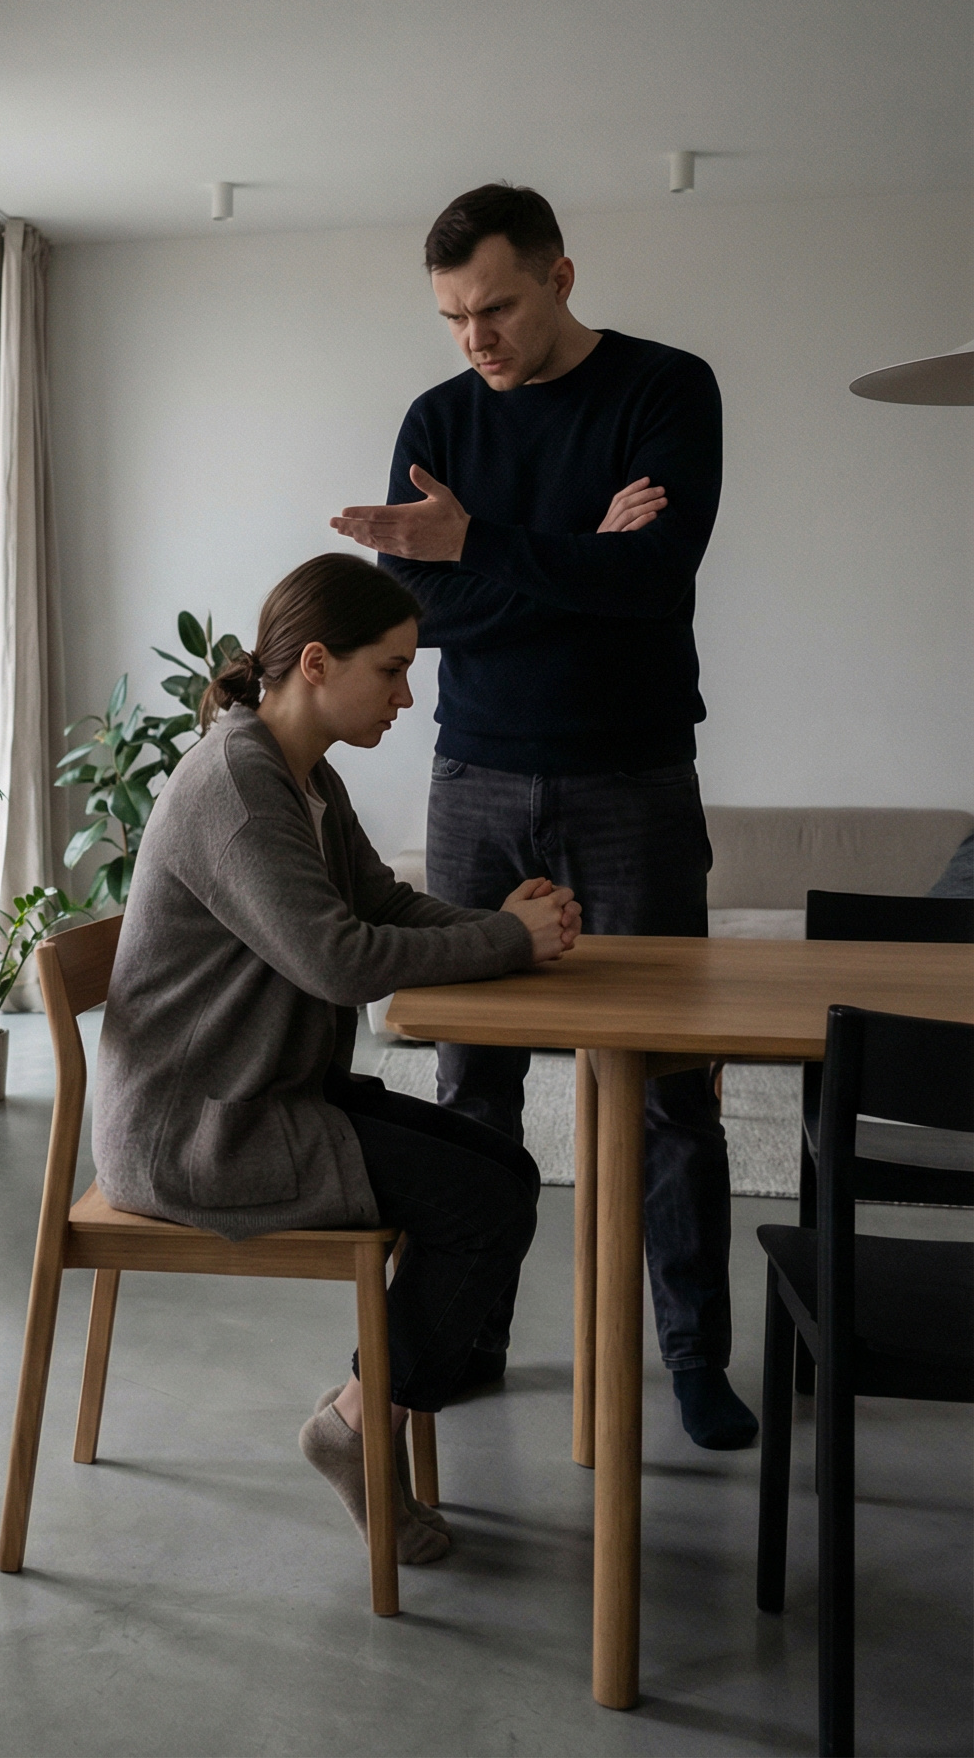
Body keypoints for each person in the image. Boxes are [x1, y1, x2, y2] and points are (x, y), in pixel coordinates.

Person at [329, 181, 755, 1451]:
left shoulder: (666, 389)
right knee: (473, 1085)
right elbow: (417, 619)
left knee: (673, 1091)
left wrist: (486, 544)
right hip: (475, 780)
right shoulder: (436, 419)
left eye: (496, 307)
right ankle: (463, 1342)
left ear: (560, 277)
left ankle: (690, 1358)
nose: (476, 340)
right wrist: (572, 549)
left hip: (633, 780)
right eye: (455, 316)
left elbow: (658, 574)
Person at [93, 554, 579, 1565]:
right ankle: (355, 1426)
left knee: (506, 1168)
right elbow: (336, 958)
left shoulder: (301, 773)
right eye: (391, 669)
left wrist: (503, 926)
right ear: (316, 661)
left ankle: (367, 1415)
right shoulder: (236, 781)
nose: (407, 694)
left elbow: (383, 904)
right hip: (202, 1127)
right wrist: (505, 940)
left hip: (264, 1092)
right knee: (478, 1203)